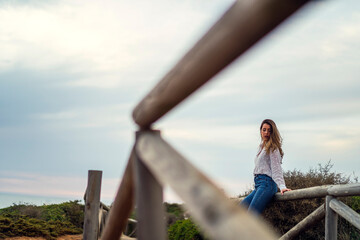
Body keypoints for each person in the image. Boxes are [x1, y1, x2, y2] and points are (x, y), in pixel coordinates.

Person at [241, 119, 291, 215]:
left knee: (250, 216)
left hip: (267, 184)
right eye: (264, 130)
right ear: (260, 131)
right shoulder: (261, 147)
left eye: (269, 130)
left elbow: (276, 169)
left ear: (273, 132)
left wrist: (282, 186)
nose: (266, 133)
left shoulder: (273, 148)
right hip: (258, 185)